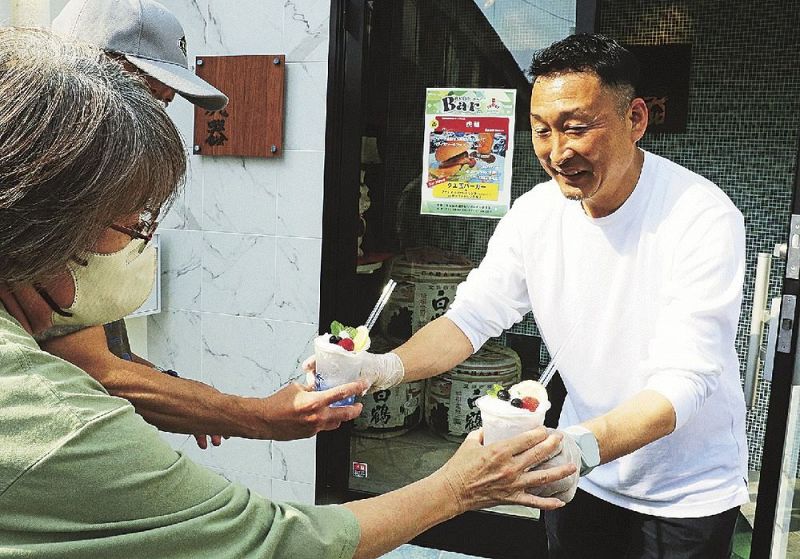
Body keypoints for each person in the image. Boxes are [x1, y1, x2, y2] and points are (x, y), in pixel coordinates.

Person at [0, 27, 577, 558]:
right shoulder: (47, 418)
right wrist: (458, 488)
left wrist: (375, 372)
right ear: (45, 206)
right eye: (133, 224)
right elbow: (272, 542)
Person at [340, 33, 749, 558]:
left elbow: (682, 385)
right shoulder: (536, 213)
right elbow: (468, 319)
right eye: (541, 131)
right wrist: (383, 369)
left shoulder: (701, 217)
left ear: (636, 119)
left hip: (683, 493)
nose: (558, 153)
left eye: (577, 128)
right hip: (581, 476)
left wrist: (577, 446)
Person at [39, 0, 362, 449]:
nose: (157, 122)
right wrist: (260, 416)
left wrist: (188, 397)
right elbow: (91, 368)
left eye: (164, 104)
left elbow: (95, 352)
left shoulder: (96, 174)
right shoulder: (44, 185)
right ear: (88, 78)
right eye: (149, 97)